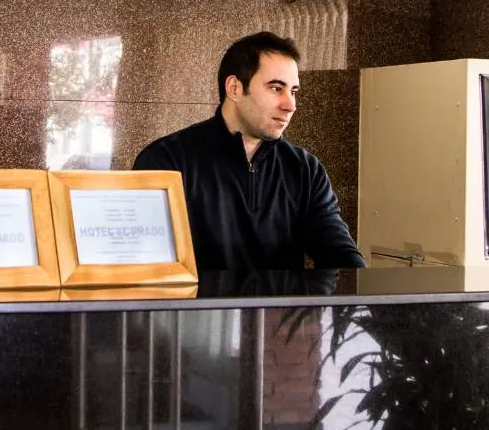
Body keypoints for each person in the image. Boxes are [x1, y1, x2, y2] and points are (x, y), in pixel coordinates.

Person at [133, 31, 365, 271]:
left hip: (284, 299)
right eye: (276, 88)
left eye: (293, 91)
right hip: (197, 299)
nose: (290, 105)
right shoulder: (166, 161)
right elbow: (146, 268)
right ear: (234, 88)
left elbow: (340, 254)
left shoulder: (304, 169)